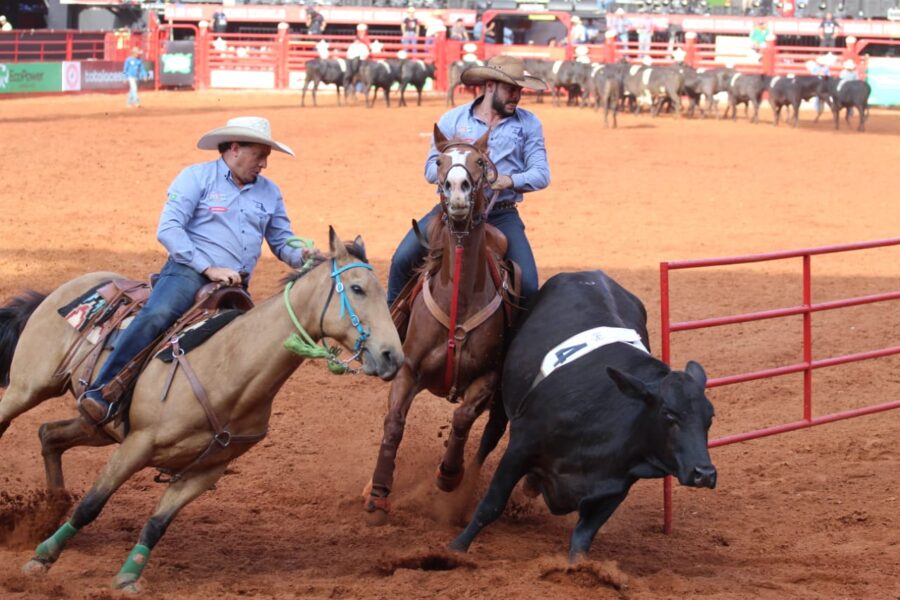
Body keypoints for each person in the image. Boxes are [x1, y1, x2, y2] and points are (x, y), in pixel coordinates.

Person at [77, 117, 312, 425]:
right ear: (235, 149)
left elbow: (282, 241)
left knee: (245, 350)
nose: (265, 164)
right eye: (260, 155)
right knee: (158, 315)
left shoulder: (270, 192)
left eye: (267, 156)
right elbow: (169, 229)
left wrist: (306, 257)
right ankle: (103, 392)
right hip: (189, 272)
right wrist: (208, 267)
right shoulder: (196, 178)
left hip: (235, 287)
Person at [386, 55, 550, 314]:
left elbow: (541, 174)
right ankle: (391, 325)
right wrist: (452, 168)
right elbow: (430, 168)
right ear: (489, 86)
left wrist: (508, 180)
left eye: (519, 90)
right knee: (402, 260)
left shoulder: (529, 123)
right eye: (511, 89)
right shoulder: (452, 119)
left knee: (528, 284)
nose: (517, 96)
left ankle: (520, 349)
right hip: (452, 209)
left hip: (501, 213)